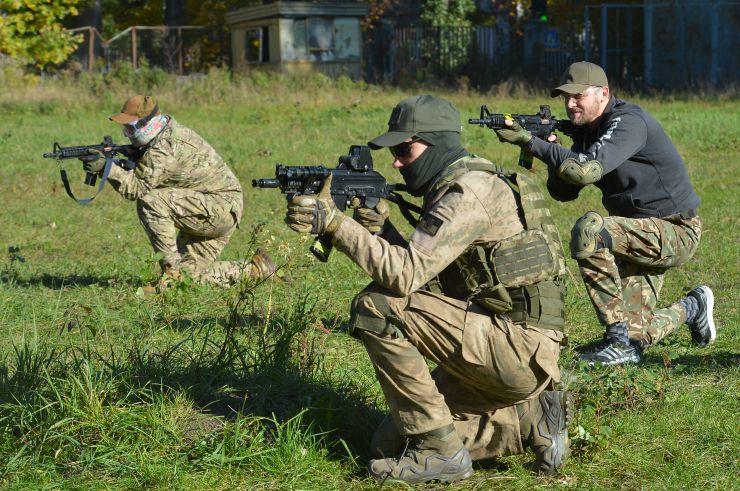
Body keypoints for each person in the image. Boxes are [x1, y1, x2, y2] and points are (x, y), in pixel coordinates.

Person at [284, 95, 572, 484]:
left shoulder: (468, 193)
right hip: (506, 346)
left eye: (406, 149)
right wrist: (382, 232)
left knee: (376, 307)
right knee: (389, 445)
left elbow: (403, 281)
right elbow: (429, 279)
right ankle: (526, 419)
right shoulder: (458, 185)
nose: (397, 162)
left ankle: (441, 452)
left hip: (514, 347)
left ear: (436, 144)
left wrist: (336, 225)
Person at [494, 61, 716, 365]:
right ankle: (693, 307)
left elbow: (584, 170)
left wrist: (529, 142)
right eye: (565, 98)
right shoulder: (587, 130)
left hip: (675, 230)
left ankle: (616, 340)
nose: (570, 105)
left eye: (578, 97)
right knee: (637, 333)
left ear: (603, 93)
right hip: (635, 232)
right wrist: (551, 148)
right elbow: (564, 192)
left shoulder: (627, 122)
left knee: (590, 231)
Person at [80, 94, 278, 288]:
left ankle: (170, 272)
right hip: (216, 208)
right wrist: (120, 164)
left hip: (219, 207)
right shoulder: (162, 135)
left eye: (129, 128)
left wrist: (109, 168)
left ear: (145, 124)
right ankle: (256, 270)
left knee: (152, 201)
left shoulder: (165, 147)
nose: (126, 133)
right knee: (188, 277)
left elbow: (137, 189)